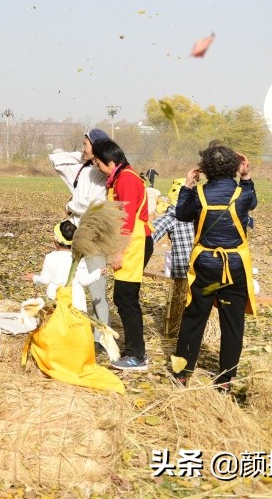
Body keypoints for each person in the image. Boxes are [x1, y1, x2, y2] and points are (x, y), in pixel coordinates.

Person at [172, 142, 257, 390]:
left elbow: (182, 214)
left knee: (194, 317)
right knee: (232, 321)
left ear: (205, 168)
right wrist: (246, 176)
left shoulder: (198, 194)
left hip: (205, 267)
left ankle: (182, 374)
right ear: (234, 166)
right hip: (235, 267)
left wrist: (188, 186)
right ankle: (226, 379)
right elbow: (253, 202)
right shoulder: (243, 193)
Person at [91, 138, 153, 372]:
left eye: (98, 163)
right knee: (125, 298)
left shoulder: (126, 178)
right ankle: (133, 350)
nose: (97, 168)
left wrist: (119, 251)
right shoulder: (121, 176)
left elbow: (126, 217)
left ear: (109, 160)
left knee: (126, 298)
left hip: (134, 242)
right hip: (131, 241)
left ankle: (137, 355)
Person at [49, 128, 112, 341]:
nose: (82, 148)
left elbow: (92, 205)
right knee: (68, 284)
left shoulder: (103, 173)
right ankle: (69, 331)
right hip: (76, 237)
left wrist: (70, 204)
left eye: (85, 145)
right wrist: (84, 154)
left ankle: (101, 340)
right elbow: (55, 158)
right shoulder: (83, 168)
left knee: (96, 291)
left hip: (94, 237)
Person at [22, 220, 101, 312]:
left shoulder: (50, 257)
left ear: (55, 241)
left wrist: (33, 278)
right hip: (75, 299)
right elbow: (84, 281)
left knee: (57, 323)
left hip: (55, 297)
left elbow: (45, 280)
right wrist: (98, 272)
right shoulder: (78, 258)